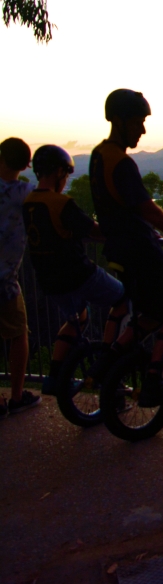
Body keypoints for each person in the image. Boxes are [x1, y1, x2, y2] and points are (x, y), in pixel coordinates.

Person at [89, 89, 163, 407]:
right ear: (119, 121)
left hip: (118, 251)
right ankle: (154, 382)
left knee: (150, 313)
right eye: (138, 122)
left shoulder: (97, 156)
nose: (142, 130)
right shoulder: (121, 163)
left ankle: (107, 362)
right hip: (139, 251)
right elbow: (147, 209)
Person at [22, 145, 130, 396]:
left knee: (77, 318)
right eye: (66, 175)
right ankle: (107, 363)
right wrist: (125, 236)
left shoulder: (29, 202)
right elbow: (94, 230)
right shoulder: (60, 203)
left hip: (49, 280)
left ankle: (54, 376)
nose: (66, 180)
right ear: (59, 171)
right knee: (123, 299)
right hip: (78, 274)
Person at [0, 137, 41, 416]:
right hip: (5, 280)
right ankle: (16, 397)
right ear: (26, 165)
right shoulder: (26, 193)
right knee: (18, 335)